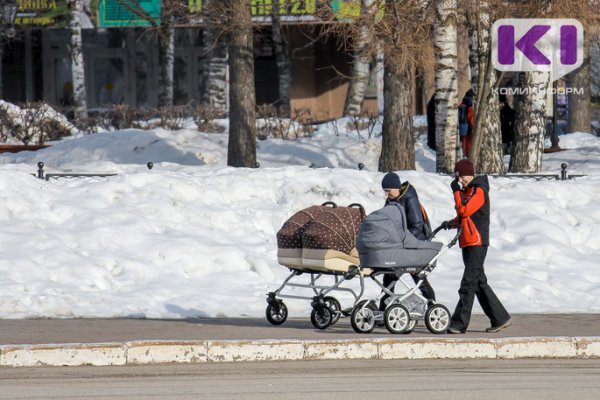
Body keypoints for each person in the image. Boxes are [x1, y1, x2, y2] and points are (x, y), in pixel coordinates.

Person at [442, 159, 511, 334]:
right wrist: (451, 223)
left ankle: (459, 323)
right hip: (468, 241)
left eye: (462, 176)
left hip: (477, 242)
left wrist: (456, 192)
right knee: (479, 282)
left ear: (470, 173)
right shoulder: (468, 191)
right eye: (458, 177)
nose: (460, 180)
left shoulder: (479, 191)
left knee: (468, 283)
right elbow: (464, 216)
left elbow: (465, 210)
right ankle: (500, 318)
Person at [379, 172, 436, 311]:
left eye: (388, 190)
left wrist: (403, 240)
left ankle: (432, 305)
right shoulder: (391, 200)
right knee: (390, 276)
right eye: (385, 191)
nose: (386, 194)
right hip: (399, 245)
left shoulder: (410, 199)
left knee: (418, 278)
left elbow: (417, 225)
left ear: (397, 187)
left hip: (415, 244)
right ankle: (382, 309)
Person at [458, 90, 475, 158]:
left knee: (464, 148)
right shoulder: (470, 107)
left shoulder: (461, 105)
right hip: (469, 132)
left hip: (462, 130)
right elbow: (472, 121)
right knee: (468, 150)